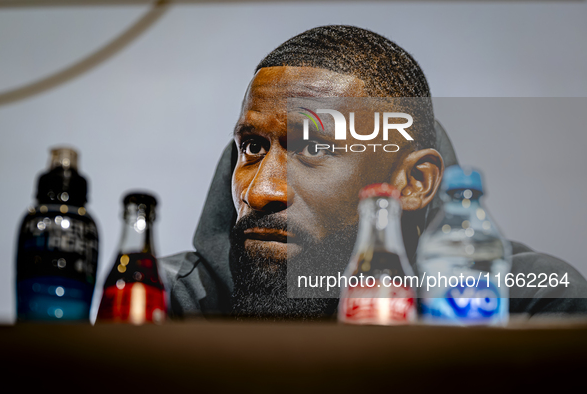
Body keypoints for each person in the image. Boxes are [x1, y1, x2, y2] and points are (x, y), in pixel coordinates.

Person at [160, 25, 587, 320]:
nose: (260, 191)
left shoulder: (527, 305)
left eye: (314, 147)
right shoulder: (163, 301)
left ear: (415, 183)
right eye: (252, 147)